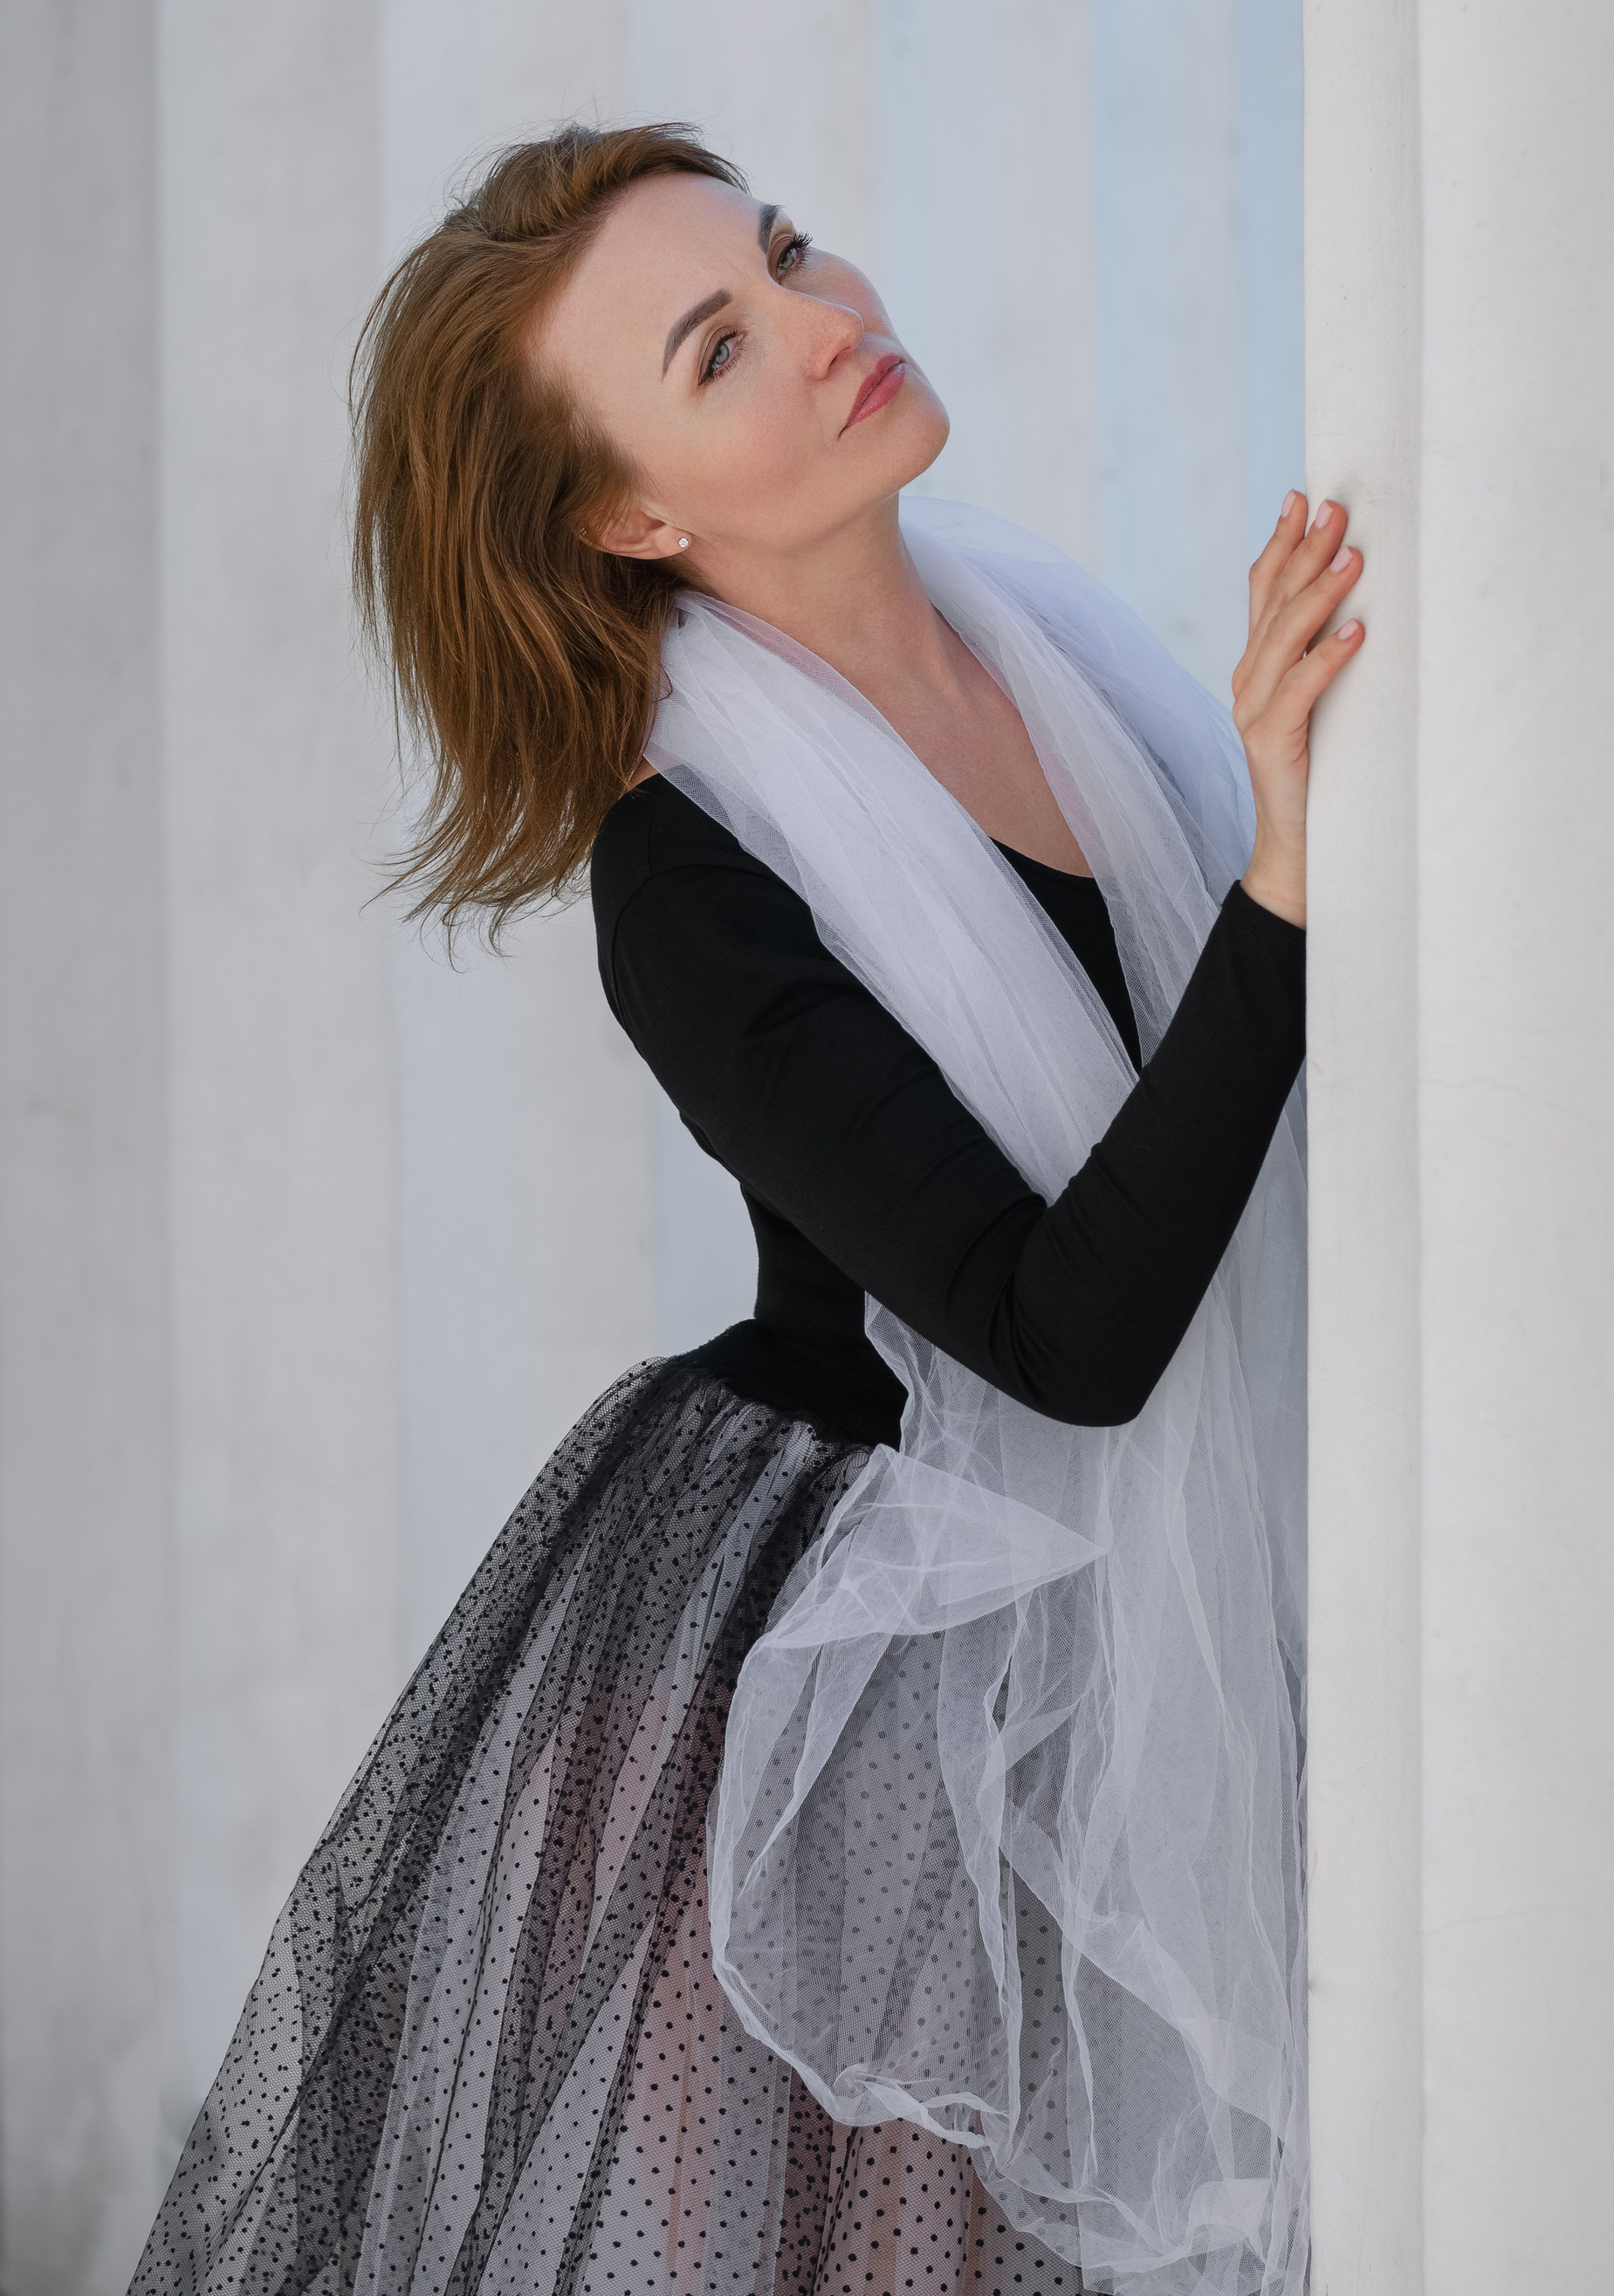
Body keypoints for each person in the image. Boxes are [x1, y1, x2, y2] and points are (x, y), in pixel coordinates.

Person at [129, 123, 1363, 2296]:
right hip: (883, 1702)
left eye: (788, 253)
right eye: (719, 346)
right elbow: (1065, 1337)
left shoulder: (1052, 644)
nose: (822, 321)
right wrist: (1285, 872)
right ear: (634, 516)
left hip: (1155, 1607)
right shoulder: (683, 877)